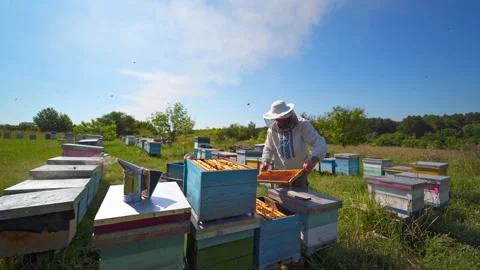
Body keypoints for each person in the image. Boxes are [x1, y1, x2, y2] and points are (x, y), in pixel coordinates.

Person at [259, 100, 328, 188]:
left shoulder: (303, 125)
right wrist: (265, 161)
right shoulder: (272, 129)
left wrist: (313, 160)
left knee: (300, 199)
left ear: (288, 115)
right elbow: (268, 148)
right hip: (280, 174)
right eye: (277, 118)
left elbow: (320, 142)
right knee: (280, 199)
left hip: (299, 172)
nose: (279, 121)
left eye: (282, 118)